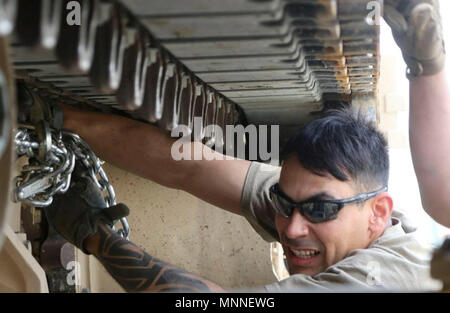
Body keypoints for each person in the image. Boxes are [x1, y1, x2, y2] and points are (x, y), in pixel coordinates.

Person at [44, 0, 448, 292]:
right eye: (284, 203)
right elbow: (190, 166)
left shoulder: (379, 282)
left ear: (378, 213)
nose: (290, 227)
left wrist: (97, 236)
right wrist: (66, 117)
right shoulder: (323, 202)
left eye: (319, 210)